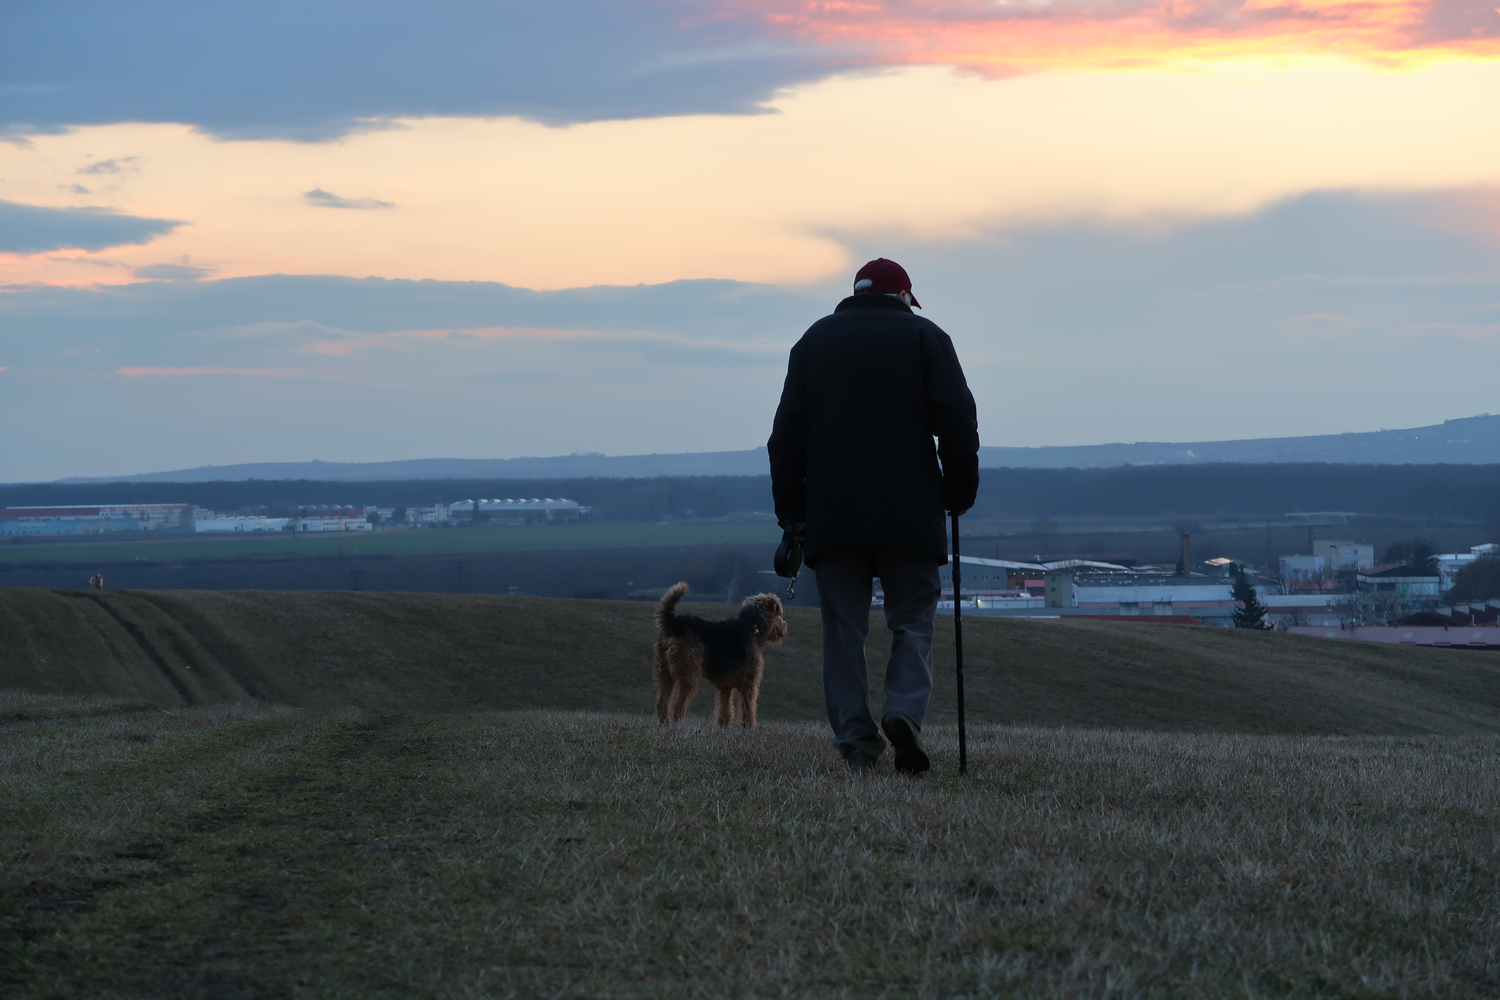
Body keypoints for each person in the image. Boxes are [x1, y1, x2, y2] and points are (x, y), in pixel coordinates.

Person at [767, 258, 979, 774]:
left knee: (844, 632)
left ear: (856, 294)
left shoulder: (813, 341)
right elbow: (956, 420)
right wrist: (958, 492)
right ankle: (903, 711)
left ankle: (857, 742)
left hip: (833, 510)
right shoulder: (926, 337)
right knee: (914, 620)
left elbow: (786, 435)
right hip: (910, 510)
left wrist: (793, 513)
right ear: (904, 297)